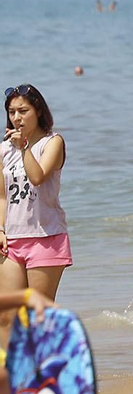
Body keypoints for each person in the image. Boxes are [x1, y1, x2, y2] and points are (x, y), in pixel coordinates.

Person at [2, 85, 71, 302]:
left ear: (38, 111)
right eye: (12, 112)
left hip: (45, 237)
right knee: (7, 314)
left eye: (23, 111)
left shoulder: (52, 142)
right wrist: (0, 229)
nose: (16, 118)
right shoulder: (4, 149)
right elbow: (2, 197)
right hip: (11, 240)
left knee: (37, 311)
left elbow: (37, 177)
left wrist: (24, 148)